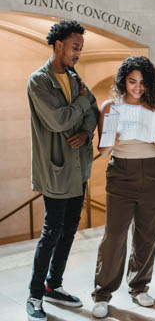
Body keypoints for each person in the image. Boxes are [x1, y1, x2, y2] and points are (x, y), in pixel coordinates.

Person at [26, 20, 98, 321]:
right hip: (56, 170)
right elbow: (57, 120)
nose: (78, 53)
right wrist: (81, 103)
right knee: (51, 230)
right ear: (58, 45)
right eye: (75, 47)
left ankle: (53, 286)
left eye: (80, 48)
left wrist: (85, 133)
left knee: (70, 229)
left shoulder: (73, 74)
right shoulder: (38, 81)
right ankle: (34, 294)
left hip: (78, 167)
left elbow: (92, 109)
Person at [91, 56, 155, 318]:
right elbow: (102, 151)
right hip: (122, 174)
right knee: (114, 236)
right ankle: (102, 293)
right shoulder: (110, 108)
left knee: (147, 234)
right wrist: (110, 141)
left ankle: (139, 287)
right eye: (132, 81)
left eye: (142, 82)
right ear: (123, 81)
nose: (137, 87)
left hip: (154, 172)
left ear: (150, 83)